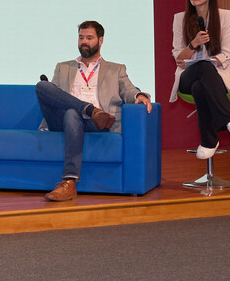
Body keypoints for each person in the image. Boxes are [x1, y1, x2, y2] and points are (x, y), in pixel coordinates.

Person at [35, 21, 152, 201]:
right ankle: (90, 109)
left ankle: (69, 183)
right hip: (62, 119)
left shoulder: (116, 69)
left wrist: (140, 95)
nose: (84, 42)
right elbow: (55, 96)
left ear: (100, 40)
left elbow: (128, 90)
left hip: (97, 123)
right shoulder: (63, 67)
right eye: (81, 37)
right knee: (43, 87)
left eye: (89, 38)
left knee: (72, 114)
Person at [170, 0, 230, 158]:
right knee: (202, 71)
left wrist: (209, 62)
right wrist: (194, 44)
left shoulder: (224, 16)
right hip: (187, 76)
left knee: (202, 83)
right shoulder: (179, 19)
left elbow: (227, 55)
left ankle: (209, 140)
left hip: (219, 74)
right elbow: (179, 58)